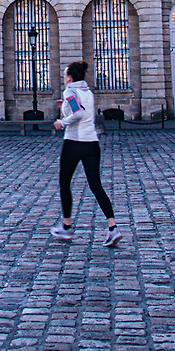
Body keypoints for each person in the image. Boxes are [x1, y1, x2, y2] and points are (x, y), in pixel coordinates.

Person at [50, 61, 122, 247]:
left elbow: (78, 113)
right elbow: (81, 110)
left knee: (64, 183)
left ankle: (67, 227)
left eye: (65, 75)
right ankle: (113, 227)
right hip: (92, 143)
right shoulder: (87, 92)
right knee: (96, 186)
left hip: (74, 142)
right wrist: (63, 106)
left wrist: (61, 123)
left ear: (69, 78)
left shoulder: (70, 92)